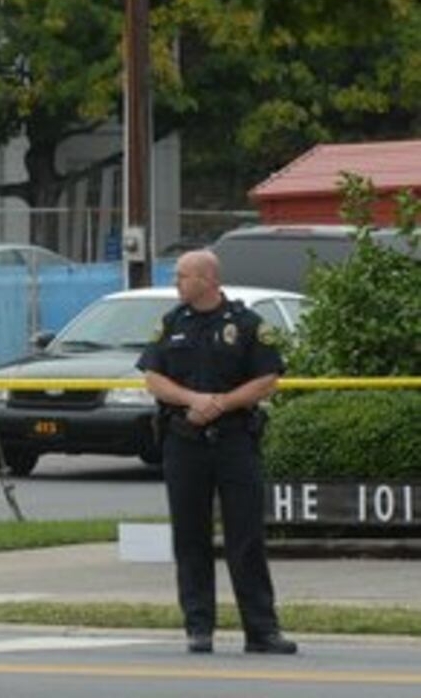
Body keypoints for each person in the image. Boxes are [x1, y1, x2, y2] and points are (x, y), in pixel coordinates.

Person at [137, 249, 298, 656]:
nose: (176, 283)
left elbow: (267, 379)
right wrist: (193, 399)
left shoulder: (246, 324)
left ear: (208, 279)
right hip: (184, 441)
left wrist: (221, 404)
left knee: (246, 538)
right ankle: (198, 628)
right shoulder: (171, 323)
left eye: (183, 276)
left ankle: (261, 631)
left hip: (234, 441)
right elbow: (153, 378)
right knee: (190, 537)